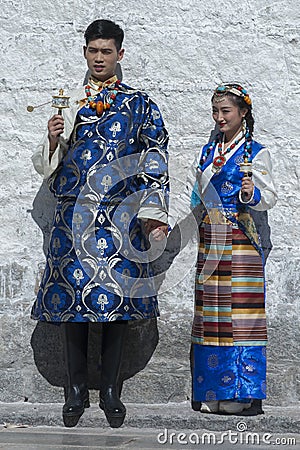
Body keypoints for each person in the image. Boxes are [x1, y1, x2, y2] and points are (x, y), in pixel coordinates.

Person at [31, 19, 169, 427]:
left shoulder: (140, 104)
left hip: (120, 219)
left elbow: (155, 159)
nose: (99, 58)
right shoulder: (68, 103)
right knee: (72, 302)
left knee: (119, 305)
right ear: (85, 52)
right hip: (72, 218)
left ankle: (110, 391)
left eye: (106, 51)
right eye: (93, 51)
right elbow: (46, 167)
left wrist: (153, 215)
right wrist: (53, 140)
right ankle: (75, 391)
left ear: (119, 55)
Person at [189, 83, 277, 414]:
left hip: (242, 243)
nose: (220, 117)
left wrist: (252, 192)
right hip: (211, 242)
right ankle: (212, 389)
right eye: (216, 111)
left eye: (226, 111)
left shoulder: (256, 153)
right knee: (211, 316)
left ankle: (243, 393)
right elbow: (195, 195)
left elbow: (270, 197)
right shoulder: (207, 152)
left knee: (241, 316)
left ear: (243, 113)